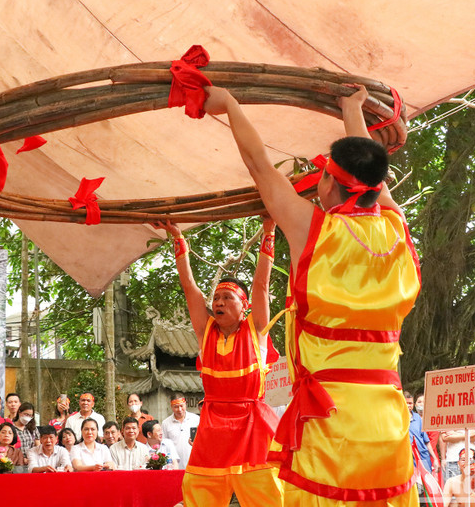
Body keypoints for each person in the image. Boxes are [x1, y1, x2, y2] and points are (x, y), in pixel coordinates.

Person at [202, 84, 421, 505]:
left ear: (329, 184)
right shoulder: (397, 230)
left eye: (322, 174)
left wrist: (229, 104)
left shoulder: (314, 231)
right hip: (388, 418)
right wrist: (351, 110)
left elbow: (260, 166)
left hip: (331, 417)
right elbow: (372, 179)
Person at [156, 214, 282, 507]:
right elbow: (190, 288)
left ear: (245, 306)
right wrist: (178, 240)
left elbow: (261, 285)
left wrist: (269, 231)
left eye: (227, 298)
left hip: (252, 424)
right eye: (216, 299)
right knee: (199, 491)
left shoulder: (257, 329)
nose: (219, 303)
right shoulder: (206, 332)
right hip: (213, 426)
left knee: (267, 494)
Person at [161, 393, 200, 468]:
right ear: (171, 406)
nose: (179, 410)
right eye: (176, 407)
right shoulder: (166, 423)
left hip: (193, 461)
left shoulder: (196, 419)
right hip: (174, 464)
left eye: (181, 406)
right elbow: (164, 444)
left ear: (185, 404)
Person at [405, 391, 437, 474]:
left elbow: (426, 441)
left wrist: (435, 458)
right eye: (406, 403)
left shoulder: (418, 418)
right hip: (409, 459)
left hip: (423, 457)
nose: (409, 405)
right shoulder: (399, 420)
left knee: (426, 484)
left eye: (410, 403)